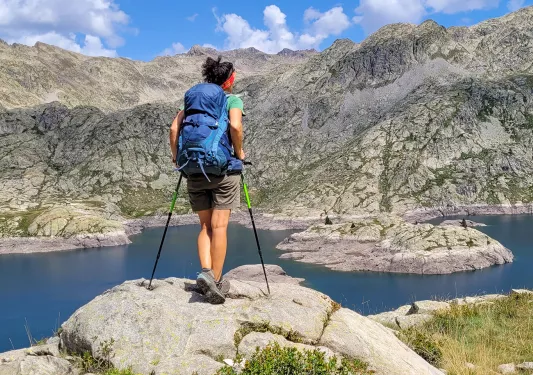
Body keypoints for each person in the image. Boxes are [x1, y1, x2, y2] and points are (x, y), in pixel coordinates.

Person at [169, 56, 245, 304]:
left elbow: (173, 129)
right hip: (223, 171)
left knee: (205, 227)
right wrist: (240, 153)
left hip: (193, 169)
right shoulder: (231, 99)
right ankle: (217, 280)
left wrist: (175, 157)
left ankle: (205, 271)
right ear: (229, 79)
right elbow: (235, 127)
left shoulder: (193, 101)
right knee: (220, 227)